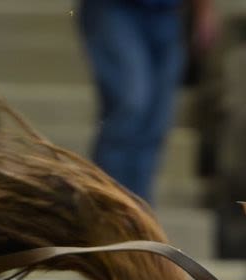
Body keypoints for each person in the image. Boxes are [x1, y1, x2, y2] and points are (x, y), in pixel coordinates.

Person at [81, 0, 215, 202]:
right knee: (130, 103)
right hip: (114, 9)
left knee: (156, 121)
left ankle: (138, 210)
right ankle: (106, 204)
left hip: (168, 14)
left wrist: (204, 11)